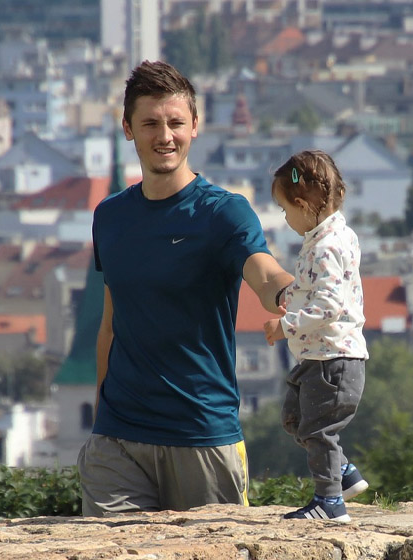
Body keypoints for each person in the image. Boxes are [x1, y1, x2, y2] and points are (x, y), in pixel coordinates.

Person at [77, 60, 294, 517]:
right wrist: (102, 418)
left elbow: (265, 273)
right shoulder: (110, 217)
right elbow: (111, 326)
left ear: (195, 126)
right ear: (128, 129)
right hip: (118, 440)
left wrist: (290, 293)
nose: (165, 135)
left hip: (201, 434)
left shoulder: (224, 213)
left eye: (176, 122)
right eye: (151, 123)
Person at [263, 150, 370, 522]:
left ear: (302, 204)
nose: (285, 218)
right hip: (319, 357)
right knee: (296, 420)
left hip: (332, 360)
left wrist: (286, 324)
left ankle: (330, 503)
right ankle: (343, 473)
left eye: (284, 209)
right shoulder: (332, 236)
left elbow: (329, 306)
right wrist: (288, 297)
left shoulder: (326, 247)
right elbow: (315, 288)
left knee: (319, 431)